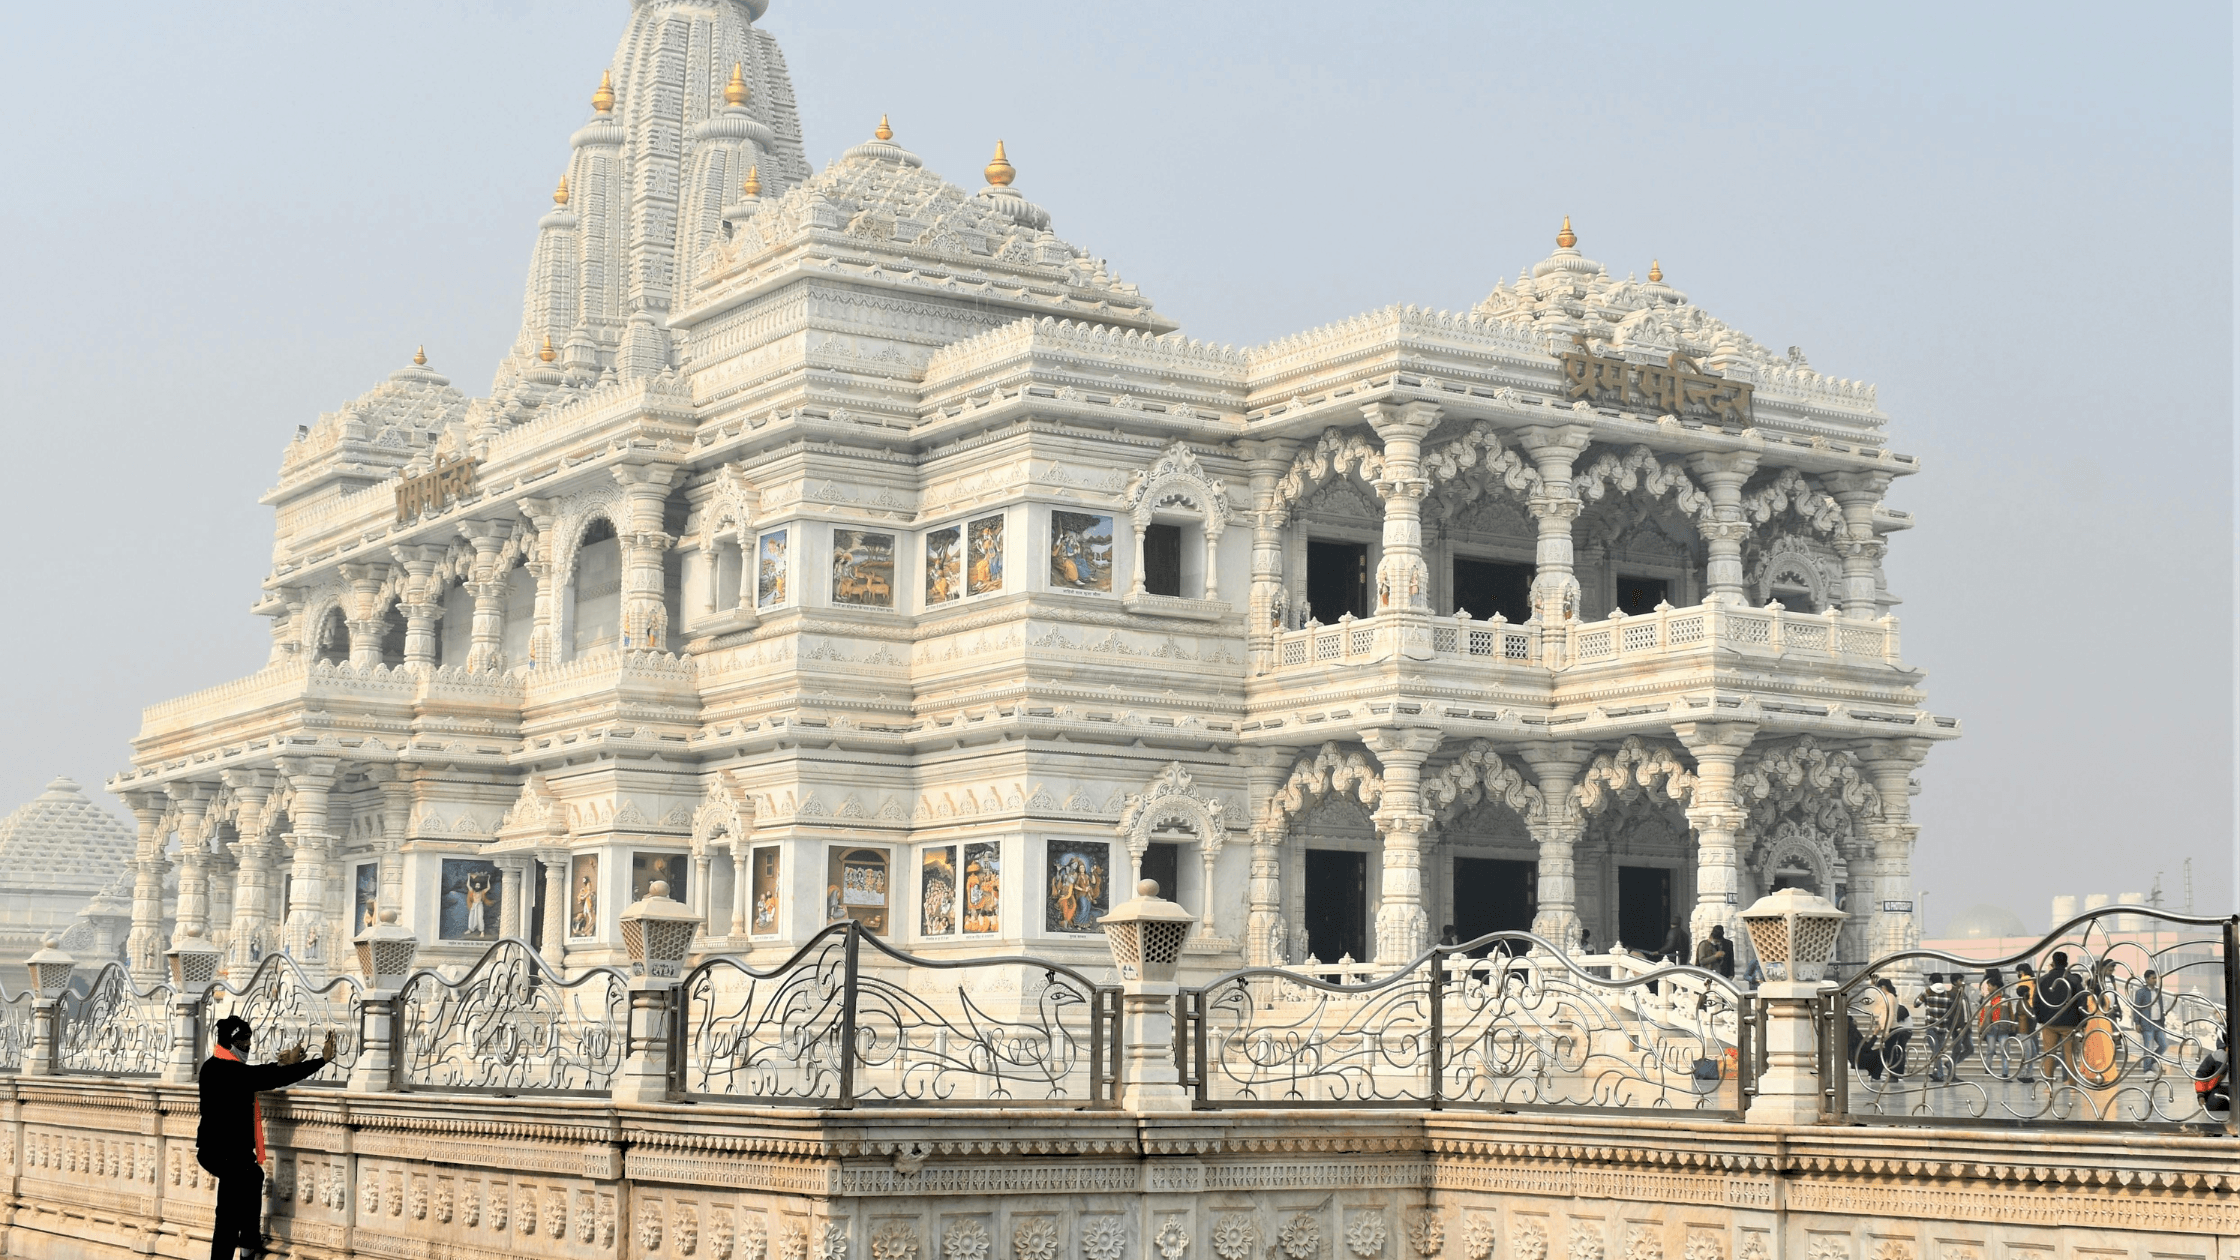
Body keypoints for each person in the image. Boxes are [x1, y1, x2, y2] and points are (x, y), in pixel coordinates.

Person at [199, 1017, 336, 1260]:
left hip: (222, 1152)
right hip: (226, 1155)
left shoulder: (213, 1066)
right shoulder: (228, 1071)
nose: (248, 1046)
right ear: (230, 1043)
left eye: (249, 1041)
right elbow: (265, 1077)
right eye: (244, 1042)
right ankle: (239, 1250)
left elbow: (257, 1074)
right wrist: (321, 1061)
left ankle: (248, 1245)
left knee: (253, 1176)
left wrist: (283, 1063)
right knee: (228, 1215)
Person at [2035, 951, 2083, 1082]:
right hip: (2069, 1023)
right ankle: (2072, 1085)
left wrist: (2040, 1019)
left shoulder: (2043, 980)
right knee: (2069, 1054)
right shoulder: (2073, 980)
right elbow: (2082, 1001)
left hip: (2049, 1022)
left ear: (2053, 963)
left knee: (2049, 1054)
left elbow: (2036, 1001)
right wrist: (2081, 1021)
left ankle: (2048, 1084)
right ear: (2066, 964)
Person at [2132, 969, 2169, 1069]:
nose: (2155, 980)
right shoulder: (2141, 992)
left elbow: (2161, 1007)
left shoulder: (2158, 992)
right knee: (2148, 1047)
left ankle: (2151, 1062)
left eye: (2155, 978)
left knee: (2164, 1045)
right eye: (2153, 978)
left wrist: (2163, 1021)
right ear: (2147, 979)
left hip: (2158, 1023)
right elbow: (2137, 1008)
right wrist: (2137, 1022)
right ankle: (2147, 1069)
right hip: (2147, 1023)